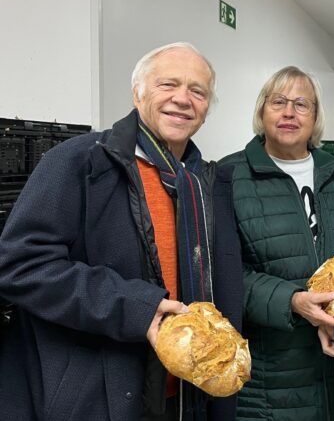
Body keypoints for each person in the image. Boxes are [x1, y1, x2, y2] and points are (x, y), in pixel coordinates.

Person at [0, 42, 243, 420]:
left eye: (198, 91)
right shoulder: (80, 162)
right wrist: (134, 308)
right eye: (168, 84)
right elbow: (20, 265)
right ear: (137, 92)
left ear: (207, 108)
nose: (183, 99)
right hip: (100, 396)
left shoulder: (205, 183)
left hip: (189, 395)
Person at [220, 66, 334, 421]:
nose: (289, 112)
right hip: (270, 377)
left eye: (302, 104)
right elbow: (223, 272)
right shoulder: (228, 177)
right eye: (279, 102)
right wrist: (292, 302)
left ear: (315, 117)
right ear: (262, 111)